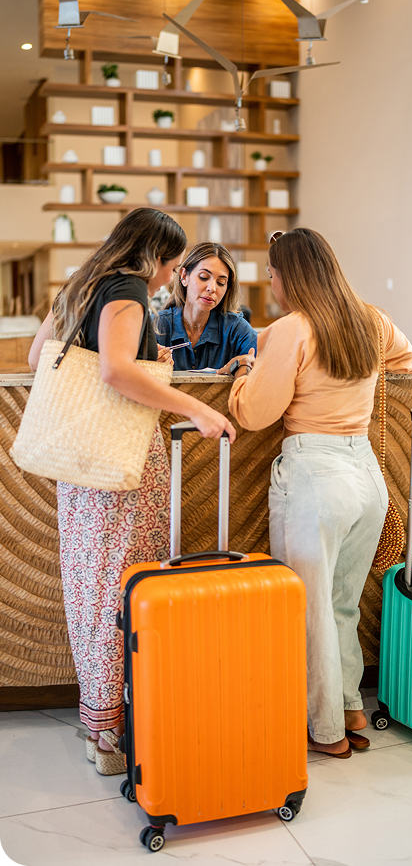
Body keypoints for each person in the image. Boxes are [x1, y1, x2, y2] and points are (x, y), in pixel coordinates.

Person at [28, 208, 236, 775]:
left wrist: (151, 359)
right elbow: (116, 372)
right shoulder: (127, 289)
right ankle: (111, 739)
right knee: (122, 587)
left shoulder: (82, 283)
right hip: (119, 465)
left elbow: (36, 358)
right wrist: (196, 408)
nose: (173, 276)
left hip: (80, 464)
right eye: (173, 264)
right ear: (155, 255)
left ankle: (96, 724)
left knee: (91, 587)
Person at [228, 228, 412, 758]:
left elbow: (255, 413)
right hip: (366, 477)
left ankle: (326, 730)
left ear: (290, 275)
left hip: (316, 473)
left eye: (271, 272)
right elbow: (408, 362)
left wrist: (244, 372)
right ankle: (351, 707)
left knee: (306, 609)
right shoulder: (369, 319)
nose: (269, 281)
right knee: (341, 606)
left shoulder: (292, 329)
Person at [153, 242, 257, 374]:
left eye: (221, 283)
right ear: (184, 276)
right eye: (203, 277)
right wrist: (148, 365)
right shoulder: (155, 326)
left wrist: (242, 365)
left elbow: (265, 363)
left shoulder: (235, 328)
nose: (212, 288)